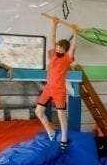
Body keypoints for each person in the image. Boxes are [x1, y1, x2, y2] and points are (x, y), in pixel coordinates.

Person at [35, 16, 77, 152]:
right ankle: (50, 131)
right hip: (48, 89)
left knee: (61, 116)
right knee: (38, 111)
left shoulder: (67, 59)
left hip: (59, 90)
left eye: (61, 50)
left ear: (65, 51)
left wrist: (74, 31)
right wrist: (54, 24)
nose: (58, 51)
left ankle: (64, 138)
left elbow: (74, 46)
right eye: (57, 48)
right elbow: (52, 38)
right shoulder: (53, 54)